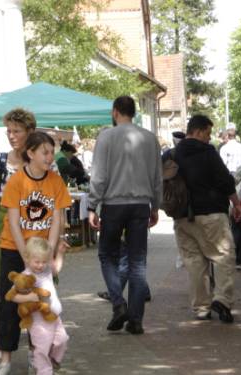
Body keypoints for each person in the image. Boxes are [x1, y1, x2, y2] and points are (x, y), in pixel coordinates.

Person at [0, 132, 71, 375]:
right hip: (14, 248)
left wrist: (48, 254)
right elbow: (14, 222)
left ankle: (36, 354)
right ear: (31, 153)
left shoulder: (55, 181)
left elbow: (58, 219)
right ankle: (5, 359)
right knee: (9, 306)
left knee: (42, 303)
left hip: (40, 252)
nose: (50, 157)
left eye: (52, 152)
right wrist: (25, 255)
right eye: (45, 152)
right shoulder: (17, 181)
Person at [88, 95, 162, 335]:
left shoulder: (106, 136)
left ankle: (118, 303)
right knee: (137, 261)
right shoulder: (150, 139)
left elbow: (99, 175)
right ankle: (136, 319)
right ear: (134, 112)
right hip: (140, 204)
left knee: (106, 255)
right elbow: (157, 177)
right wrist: (155, 206)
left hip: (113, 204)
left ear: (115, 111)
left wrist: (92, 206)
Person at [0, 108, 37, 370]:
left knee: (36, 293)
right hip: (4, 232)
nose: (11, 136)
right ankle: (3, 353)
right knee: (4, 294)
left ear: (29, 132)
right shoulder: (0, 161)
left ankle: (38, 350)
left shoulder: (43, 159)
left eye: (17, 131)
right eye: (8, 131)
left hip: (35, 230)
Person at [173, 115, 241, 322]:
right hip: (211, 214)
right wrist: (237, 203)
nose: (209, 138)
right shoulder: (207, 152)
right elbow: (225, 180)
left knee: (194, 263)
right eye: (208, 133)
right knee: (223, 256)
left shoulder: (172, 154)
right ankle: (222, 299)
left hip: (183, 217)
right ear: (200, 131)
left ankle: (201, 308)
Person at [16, 237, 68, 375]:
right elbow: (13, 296)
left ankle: (52, 361)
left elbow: (56, 269)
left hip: (55, 317)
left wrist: (61, 253)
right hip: (38, 321)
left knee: (62, 340)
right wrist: (28, 297)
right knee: (42, 350)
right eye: (37, 262)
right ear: (27, 259)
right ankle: (44, 371)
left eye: (44, 262)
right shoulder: (25, 276)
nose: (40, 265)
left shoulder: (46, 270)